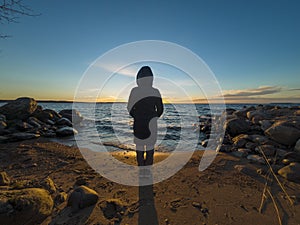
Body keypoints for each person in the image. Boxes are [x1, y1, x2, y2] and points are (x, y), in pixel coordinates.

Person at [127, 66, 163, 166]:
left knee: (139, 148)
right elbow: (160, 110)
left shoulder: (134, 91)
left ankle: (141, 168)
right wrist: (153, 117)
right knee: (150, 148)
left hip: (138, 123)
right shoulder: (155, 91)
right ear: (151, 78)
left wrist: (137, 116)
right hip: (152, 124)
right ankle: (147, 170)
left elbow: (129, 107)